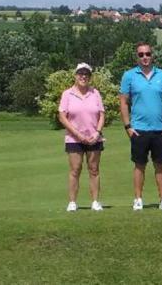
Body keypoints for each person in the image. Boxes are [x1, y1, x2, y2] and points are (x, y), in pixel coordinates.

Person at [119, 42, 162, 211]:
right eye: (141, 54)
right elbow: (123, 102)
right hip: (138, 128)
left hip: (159, 129)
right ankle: (138, 199)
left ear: (152, 55)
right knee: (139, 165)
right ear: (137, 57)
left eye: (148, 54)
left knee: (160, 165)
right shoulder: (129, 75)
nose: (145, 57)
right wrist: (128, 126)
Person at [58, 63, 105, 212]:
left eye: (86, 74)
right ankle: (72, 202)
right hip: (74, 138)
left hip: (93, 137)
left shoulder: (95, 93)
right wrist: (77, 134)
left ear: (90, 77)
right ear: (75, 75)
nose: (83, 76)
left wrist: (97, 132)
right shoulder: (67, 94)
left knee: (94, 170)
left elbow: (102, 115)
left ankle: (95, 201)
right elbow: (62, 117)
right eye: (80, 73)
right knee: (75, 170)